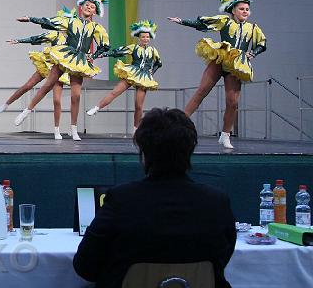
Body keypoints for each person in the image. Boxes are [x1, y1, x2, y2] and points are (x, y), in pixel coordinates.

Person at [73, 108, 236, 288]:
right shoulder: (217, 202)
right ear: (190, 150)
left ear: (144, 153)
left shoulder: (122, 200)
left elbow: (85, 266)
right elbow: (221, 260)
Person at [168, 0, 266, 149]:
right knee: (202, 91)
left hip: (236, 65)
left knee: (232, 102)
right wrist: (182, 21)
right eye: (241, 9)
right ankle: (178, 125)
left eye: (247, 9)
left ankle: (225, 135)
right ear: (233, 10)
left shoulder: (253, 28)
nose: (245, 11)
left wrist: (253, 53)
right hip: (221, 59)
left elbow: (262, 44)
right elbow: (203, 24)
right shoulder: (225, 21)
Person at [13, 0, 110, 141]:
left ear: (95, 11)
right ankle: (27, 111)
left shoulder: (96, 28)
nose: (88, 7)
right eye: (86, 5)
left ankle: (74, 129)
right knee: (47, 85)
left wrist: (93, 56)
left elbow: (105, 45)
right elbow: (51, 22)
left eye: (92, 7)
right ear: (81, 6)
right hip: (65, 55)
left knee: (76, 96)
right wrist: (31, 19)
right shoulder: (71, 21)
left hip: (79, 61)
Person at [1, 6, 74, 140]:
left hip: (61, 69)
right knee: (28, 86)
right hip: (47, 64)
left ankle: (56, 130)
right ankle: (6, 105)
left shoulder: (74, 39)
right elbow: (36, 38)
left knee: (57, 100)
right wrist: (19, 40)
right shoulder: (54, 34)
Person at [86, 20, 163, 131]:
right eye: (143, 37)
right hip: (132, 73)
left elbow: (159, 63)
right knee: (115, 92)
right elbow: (117, 52)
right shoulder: (134, 47)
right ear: (139, 38)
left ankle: (136, 130)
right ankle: (96, 108)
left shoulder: (153, 50)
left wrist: (152, 71)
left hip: (144, 77)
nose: (145, 39)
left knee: (138, 106)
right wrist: (99, 55)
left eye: (147, 37)